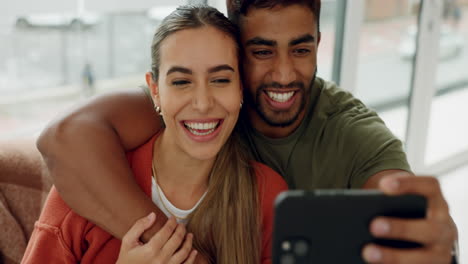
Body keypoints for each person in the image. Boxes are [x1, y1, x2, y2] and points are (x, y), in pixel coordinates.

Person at [37, 0, 458, 263]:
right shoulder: (94, 178)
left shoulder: (276, 189)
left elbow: (400, 203)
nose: (283, 73)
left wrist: (429, 236)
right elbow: (64, 138)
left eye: (301, 49)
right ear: (156, 90)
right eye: (261, 51)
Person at [23, 5, 287, 264]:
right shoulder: (85, 185)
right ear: (155, 90)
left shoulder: (268, 197)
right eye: (181, 82)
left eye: (220, 80)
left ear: (240, 87)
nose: (203, 103)